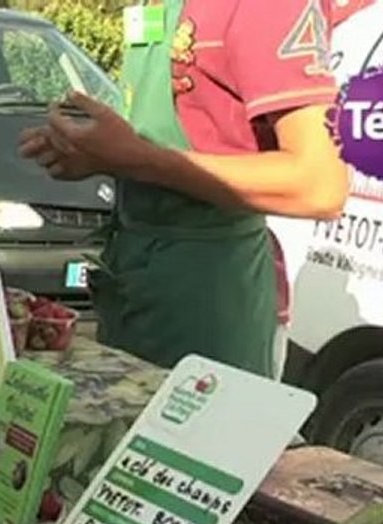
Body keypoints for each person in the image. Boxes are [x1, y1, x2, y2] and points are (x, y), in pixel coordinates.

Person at [20, 0, 350, 378]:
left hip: (209, 299)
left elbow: (319, 184)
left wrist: (136, 157)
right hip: (135, 281)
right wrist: (99, 156)